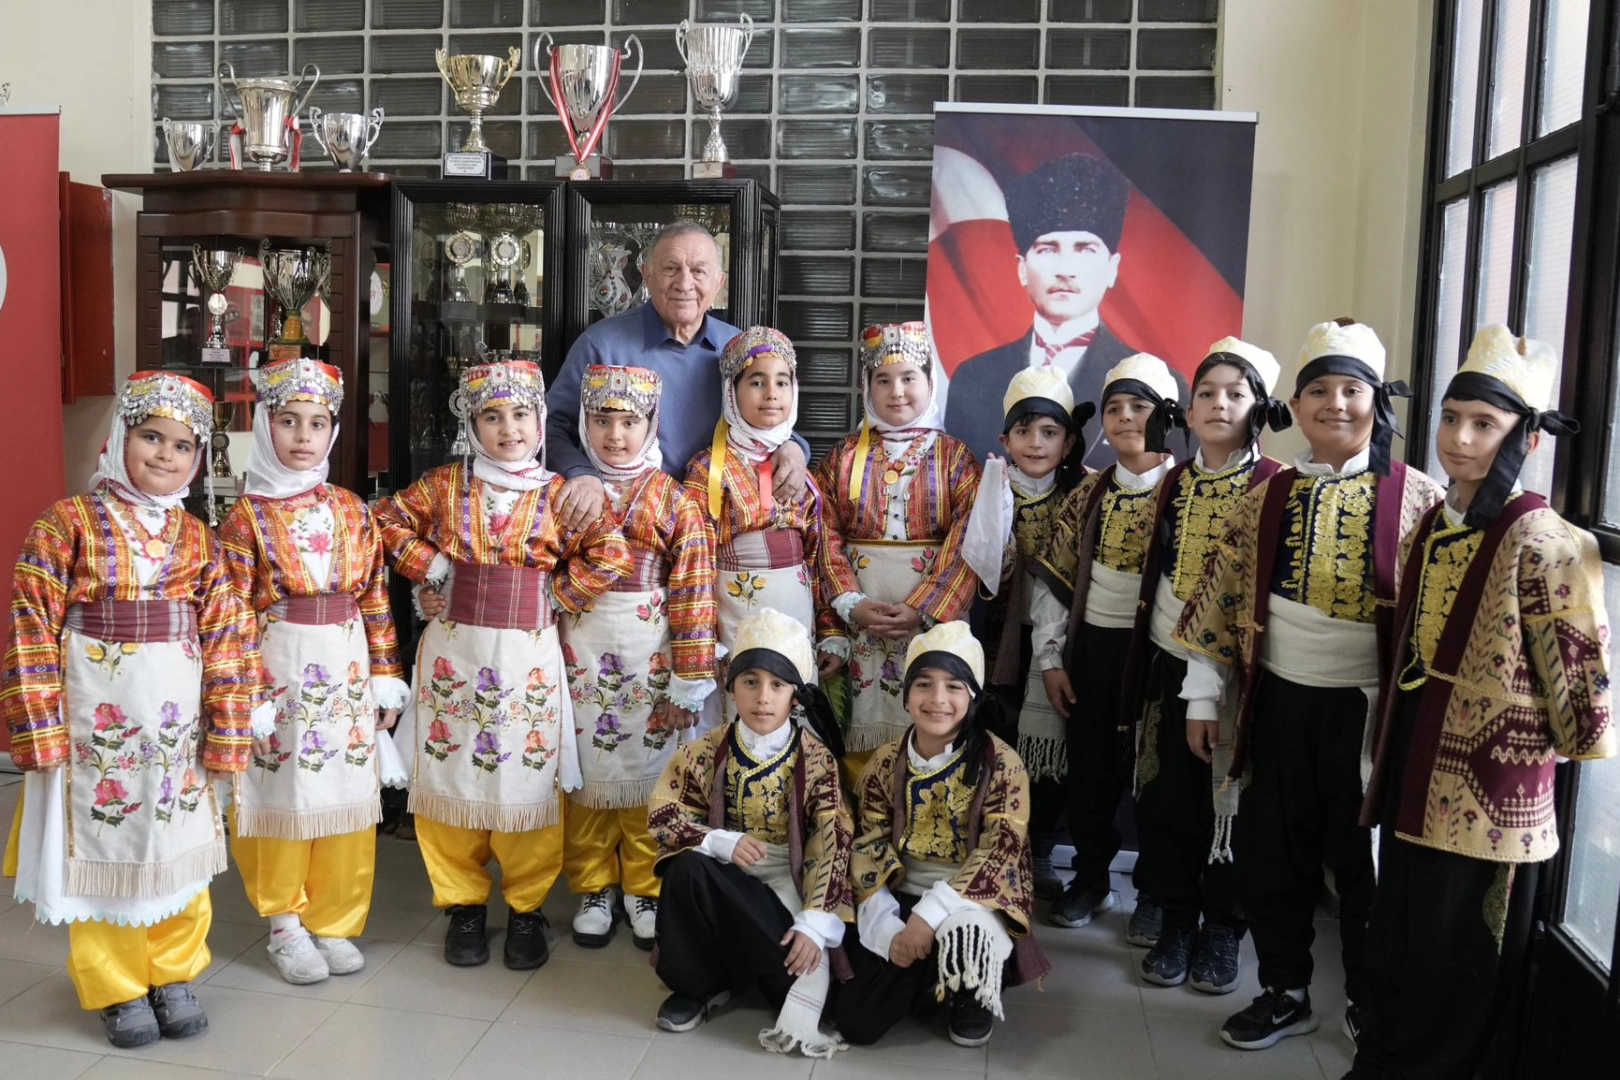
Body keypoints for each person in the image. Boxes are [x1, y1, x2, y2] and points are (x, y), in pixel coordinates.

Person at [1349, 326, 1613, 1080]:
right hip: (1416, 759)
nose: (1459, 439)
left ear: (1526, 440)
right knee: (1401, 926)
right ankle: (1385, 1059)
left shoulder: (1548, 542)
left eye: (1484, 425)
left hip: (1492, 790)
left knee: (1459, 948)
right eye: (1451, 417)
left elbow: (1585, 703)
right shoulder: (1435, 523)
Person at [1173, 319, 1444, 1052]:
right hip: (1278, 700)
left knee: (1361, 865)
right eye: (1319, 390)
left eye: (1352, 389)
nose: (1336, 404)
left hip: (1368, 713)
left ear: (1378, 402)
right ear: (1294, 405)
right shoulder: (1268, 494)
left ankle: (1368, 1000)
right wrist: (1203, 695)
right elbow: (1221, 596)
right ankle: (1284, 990)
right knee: (1273, 851)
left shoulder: (1419, 500)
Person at [2, 372, 260, 1047]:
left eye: (182, 445)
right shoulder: (65, 523)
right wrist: (39, 727)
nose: (165, 455)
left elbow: (228, 634)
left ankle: (173, 973)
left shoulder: (199, 538)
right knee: (105, 848)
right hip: (95, 719)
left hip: (177, 723)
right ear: (120, 435)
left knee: (179, 845)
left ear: (197, 458)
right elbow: (31, 625)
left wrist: (229, 729)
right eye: (151, 437)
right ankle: (116, 987)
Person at [375, 360, 632, 971]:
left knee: (526, 780)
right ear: (471, 425)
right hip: (454, 653)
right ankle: (463, 904)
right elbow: (384, 519)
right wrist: (436, 571)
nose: (508, 428)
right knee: (451, 777)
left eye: (520, 414)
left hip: (526, 658)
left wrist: (555, 597)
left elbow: (611, 551)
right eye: (492, 416)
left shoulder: (559, 493)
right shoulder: (444, 485)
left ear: (541, 422)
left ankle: (526, 908)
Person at [217, 358, 411, 985]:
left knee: (346, 795)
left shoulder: (353, 508)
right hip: (281, 664)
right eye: (289, 421)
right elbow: (230, 612)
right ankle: (284, 923)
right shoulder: (245, 518)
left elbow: (375, 597)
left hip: (346, 663)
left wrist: (385, 675)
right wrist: (247, 693)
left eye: (318, 423)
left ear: (334, 430)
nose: (304, 436)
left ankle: (335, 919)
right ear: (264, 426)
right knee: (283, 792)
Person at [1123, 338, 1290, 996]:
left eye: (1236, 394)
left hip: (1242, 678)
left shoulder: (1276, 486)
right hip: (1169, 662)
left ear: (1260, 409)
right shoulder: (1174, 482)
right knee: (1168, 799)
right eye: (1207, 394)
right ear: (1187, 412)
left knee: (1232, 803)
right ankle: (1175, 920)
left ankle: (1223, 925)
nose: (1220, 404)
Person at [557, 364, 717, 952]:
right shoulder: (564, 494)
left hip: (650, 650)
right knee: (586, 773)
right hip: (579, 647)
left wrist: (688, 679)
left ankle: (644, 887)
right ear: (584, 424)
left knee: (650, 772)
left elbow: (695, 589)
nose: (616, 435)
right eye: (602, 421)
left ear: (651, 424)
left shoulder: (675, 499)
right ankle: (593, 886)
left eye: (629, 422)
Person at [647, 607, 852, 1057]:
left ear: (795, 696)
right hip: (727, 874)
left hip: (788, 884)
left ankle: (752, 968)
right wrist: (719, 841)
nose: (763, 698)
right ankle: (697, 986)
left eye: (778, 685)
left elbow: (833, 842)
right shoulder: (705, 750)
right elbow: (664, 814)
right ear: (731, 686)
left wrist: (813, 923)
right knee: (686, 869)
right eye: (751, 682)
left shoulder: (816, 760)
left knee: (794, 989)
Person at [835, 620, 1049, 1049]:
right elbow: (868, 844)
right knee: (857, 1023)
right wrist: (889, 930)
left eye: (954, 686)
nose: (937, 699)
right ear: (906, 695)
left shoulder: (1002, 764)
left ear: (973, 697)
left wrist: (928, 916)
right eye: (924, 685)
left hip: (971, 899)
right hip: (900, 892)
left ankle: (971, 992)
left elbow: (999, 854)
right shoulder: (885, 762)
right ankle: (928, 973)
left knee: (969, 927)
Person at [1038, 353, 1183, 934]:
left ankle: (1155, 892)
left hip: (1159, 653)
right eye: (1115, 407)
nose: (1125, 417)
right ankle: (1091, 877)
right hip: (1094, 648)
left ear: (1166, 415)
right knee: (1092, 769)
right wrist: (1052, 659)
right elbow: (1054, 582)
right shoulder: (1089, 493)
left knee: (1157, 777)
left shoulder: (1186, 493)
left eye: (1139, 406)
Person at [544, 220, 810, 530]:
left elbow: (771, 415)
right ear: (647, 275)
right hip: (626, 524)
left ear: (719, 282)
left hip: (721, 526)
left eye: (699, 271)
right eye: (671, 268)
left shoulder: (739, 347)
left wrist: (793, 446)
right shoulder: (601, 344)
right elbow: (551, 425)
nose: (684, 283)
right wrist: (580, 472)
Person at [816, 322, 982, 782]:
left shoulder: (956, 458)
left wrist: (923, 610)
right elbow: (823, 535)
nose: (897, 392)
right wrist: (851, 604)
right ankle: (861, 815)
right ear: (867, 387)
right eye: (883, 380)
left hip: (929, 621)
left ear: (930, 382)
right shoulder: (842, 457)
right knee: (857, 732)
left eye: (909, 378)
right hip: (858, 621)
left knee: (932, 720)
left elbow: (969, 542)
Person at [944, 153, 1185, 465]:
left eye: (1085, 249)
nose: (1065, 270)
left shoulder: (1161, 384)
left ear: (1112, 267)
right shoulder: (973, 377)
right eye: (1048, 249)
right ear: (1022, 268)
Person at [961, 365, 1092, 900]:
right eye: (1024, 431)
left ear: (1068, 442)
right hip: (996, 639)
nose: (1035, 443)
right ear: (1005, 440)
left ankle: (1039, 851)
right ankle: (995, 846)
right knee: (998, 739)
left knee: (1050, 747)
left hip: (1061, 643)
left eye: (1049, 432)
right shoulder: (987, 487)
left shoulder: (1086, 491)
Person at [684, 326, 838, 726]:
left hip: (796, 613)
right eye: (756, 382)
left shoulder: (802, 473)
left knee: (792, 710)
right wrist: (702, 645)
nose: (771, 393)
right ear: (731, 392)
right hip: (734, 615)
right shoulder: (707, 471)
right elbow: (695, 567)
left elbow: (818, 558)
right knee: (742, 710)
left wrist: (830, 628)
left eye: (782, 382)